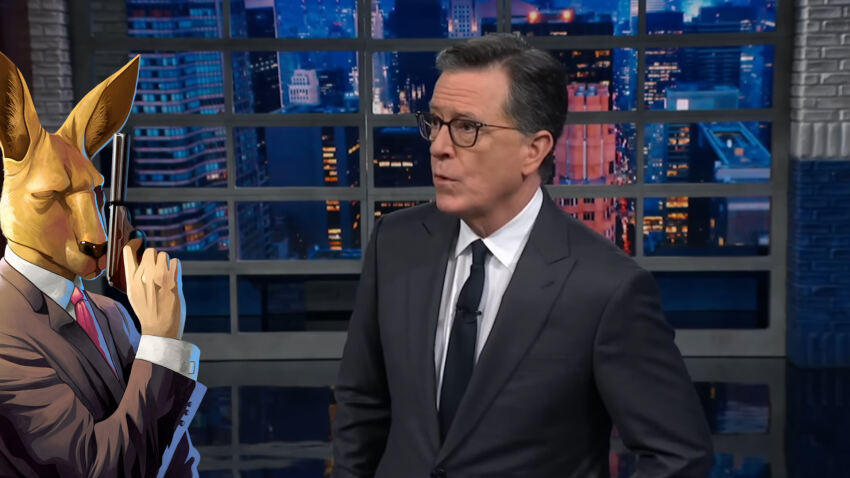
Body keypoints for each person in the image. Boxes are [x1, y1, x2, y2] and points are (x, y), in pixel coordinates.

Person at [332, 34, 713, 477]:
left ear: (533, 150)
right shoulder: (395, 242)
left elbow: (678, 455)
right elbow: (363, 402)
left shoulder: (606, 288)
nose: (438, 146)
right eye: (435, 122)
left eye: (467, 128)